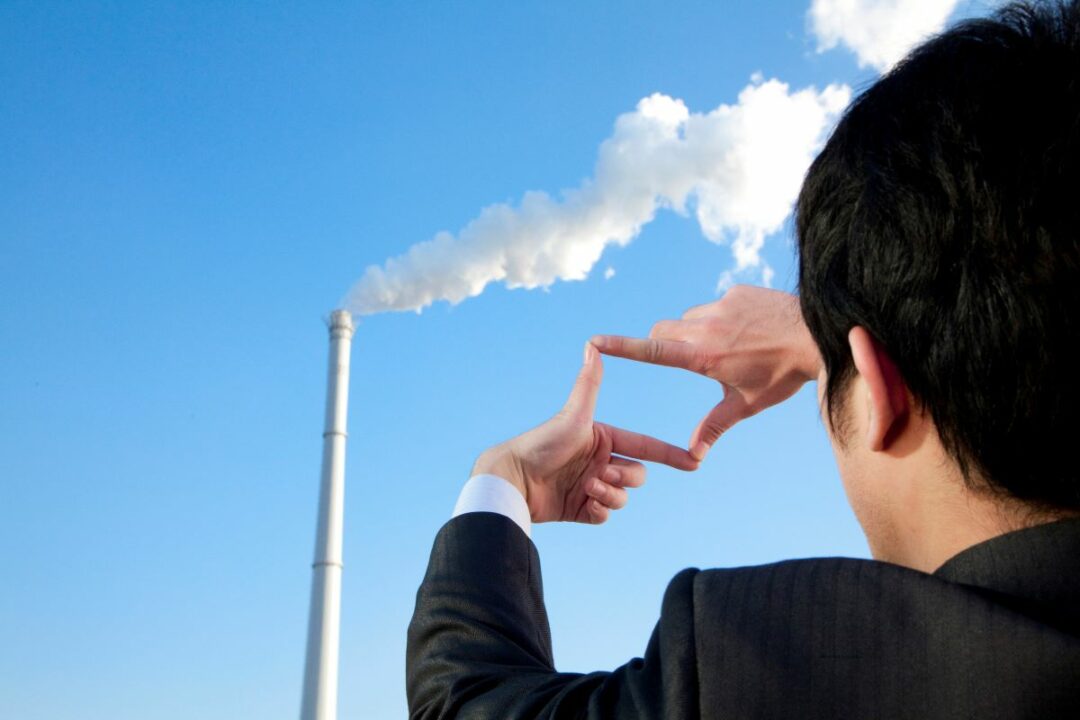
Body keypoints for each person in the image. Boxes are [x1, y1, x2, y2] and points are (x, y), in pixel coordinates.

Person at [407, 1, 1080, 717]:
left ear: (883, 394)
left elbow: (469, 704)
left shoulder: (788, 667)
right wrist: (844, 337)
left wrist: (501, 480)